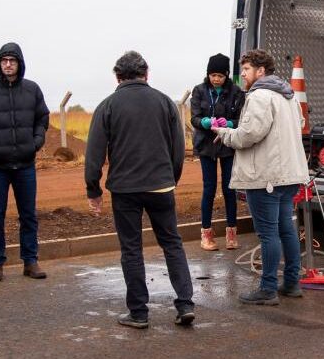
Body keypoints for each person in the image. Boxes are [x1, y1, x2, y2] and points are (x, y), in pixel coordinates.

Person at [85, 51, 195, 329]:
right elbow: (178, 148)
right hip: (161, 185)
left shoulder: (107, 106)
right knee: (172, 242)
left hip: (124, 189)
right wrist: (172, 178)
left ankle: (138, 312)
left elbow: (94, 153)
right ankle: (184, 304)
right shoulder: (165, 103)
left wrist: (93, 189)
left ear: (117, 77)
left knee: (131, 248)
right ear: (146, 74)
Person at [212, 49, 309, 305]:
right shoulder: (288, 96)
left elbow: (249, 134)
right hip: (289, 175)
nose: (242, 74)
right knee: (287, 230)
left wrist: (223, 133)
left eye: (246, 69)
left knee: (268, 234)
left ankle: (267, 289)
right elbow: (298, 125)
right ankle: (291, 283)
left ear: (260, 71)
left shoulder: (259, 96)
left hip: (265, 175)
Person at [0, 42, 50, 282]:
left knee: (28, 214)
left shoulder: (32, 89)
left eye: (12, 61)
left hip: (25, 164)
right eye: (4, 60)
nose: (8, 64)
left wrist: (35, 142)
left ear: (19, 64)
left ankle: (30, 260)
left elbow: (42, 118)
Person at [189, 53, 245, 251]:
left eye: (220, 76)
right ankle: (206, 234)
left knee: (230, 189)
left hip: (228, 145)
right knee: (209, 189)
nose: (216, 79)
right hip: (206, 145)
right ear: (208, 74)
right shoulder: (199, 91)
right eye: (213, 75)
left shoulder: (236, 92)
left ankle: (231, 233)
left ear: (227, 75)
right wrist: (204, 122)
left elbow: (242, 120)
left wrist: (229, 124)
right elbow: (194, 118)